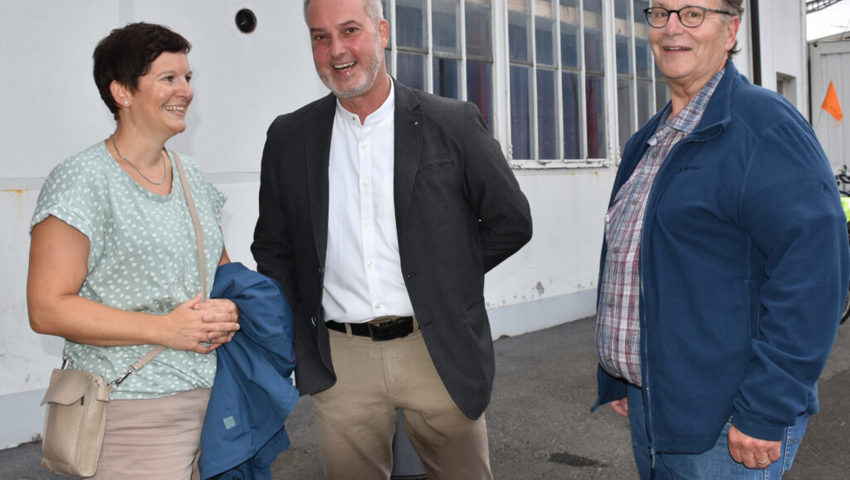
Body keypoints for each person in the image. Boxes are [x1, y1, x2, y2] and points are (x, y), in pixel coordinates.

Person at [251, 0, 533, 478]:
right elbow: (274, 250)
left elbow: (510, 221)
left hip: (437, 348)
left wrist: (442, 279)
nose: (336, 50)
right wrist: (299, 341)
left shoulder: (453, 122)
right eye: (320, 37)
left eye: (350, 31)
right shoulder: (288, 136)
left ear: (381, 31)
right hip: (341, 363)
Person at [593, 1, 850, 479]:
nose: (672, 28)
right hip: (654, 402)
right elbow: (635, 263)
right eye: (661, 13)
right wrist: (622, 377)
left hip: (727, 417)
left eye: (693, 14)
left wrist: (767, 408)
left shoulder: (764, 126)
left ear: (731, 30)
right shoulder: (647, 142)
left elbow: (814, 276)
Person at [27, 22, 240, 479]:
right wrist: (164, 329)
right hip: (128, 412)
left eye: (188, 77)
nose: (185, 90)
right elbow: (47, 309)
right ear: (122, 92)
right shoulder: (82, 181)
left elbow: (217, 276)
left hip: (214, 402)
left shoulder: (192, 178)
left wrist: (225, 311)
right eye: (168, 78)